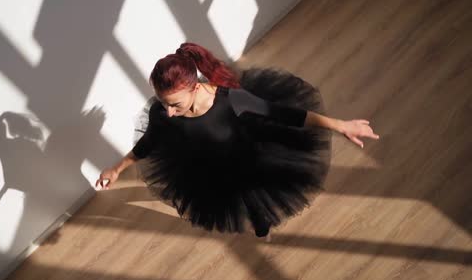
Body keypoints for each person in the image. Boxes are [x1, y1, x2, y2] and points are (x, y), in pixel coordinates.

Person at [95, 42, 379, 242]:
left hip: (247, 159)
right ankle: (259, 225)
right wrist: (117, 169)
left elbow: (287, 114)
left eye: (174, 104)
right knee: (225, 199)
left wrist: (340, 125)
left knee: (256, 198)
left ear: (195, 88)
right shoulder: (163, 113)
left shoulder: (231, 100)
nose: (168, 111)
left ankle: (262, 224)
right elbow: (149, 142)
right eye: (163, 103)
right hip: (206, 165)